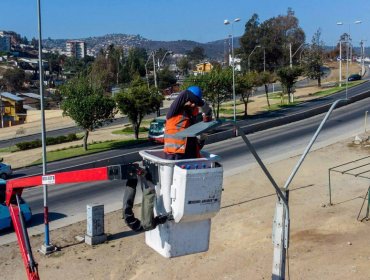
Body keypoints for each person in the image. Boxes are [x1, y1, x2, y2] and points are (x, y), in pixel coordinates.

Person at [164, 85, 210, 160]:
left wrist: (201, 140)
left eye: (195, 103)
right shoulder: (174, 111)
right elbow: (185, 93)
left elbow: (194, 144)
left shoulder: (191, 118)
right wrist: (203, 104)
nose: (193, 104)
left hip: (188, 155)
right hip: (175, 155)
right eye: (192, 101)